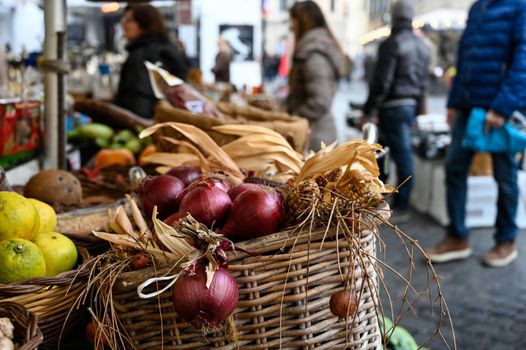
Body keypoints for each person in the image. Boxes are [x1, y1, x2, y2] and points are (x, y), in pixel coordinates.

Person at [426, 0, 526, 267]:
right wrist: (453, 102)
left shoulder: (519, 6)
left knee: (505, 178)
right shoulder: (477, 7)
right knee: (454, 169)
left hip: (499, 109)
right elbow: (465, 57)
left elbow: (523, 59)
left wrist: (502, 107)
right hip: (468, 107)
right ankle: (457, 235)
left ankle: (506, 239)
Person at [361, 0, 430, 223]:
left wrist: (369, 108)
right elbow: (422, 84)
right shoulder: (422, 46)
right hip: (408, 106)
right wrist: (418, 110)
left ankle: (398, 204)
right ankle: (383, 197)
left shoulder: (391, 44)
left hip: (391, 106)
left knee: (388, 154)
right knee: (393, 153)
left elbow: (382, 81)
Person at [286, 0, 345, 151]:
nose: (291, 26)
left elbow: (320, 100)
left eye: (292, 20)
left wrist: (294, 117)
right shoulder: (313, 49)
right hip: (314, 133)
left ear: (302, 21)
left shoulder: (314, 53)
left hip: (316, 137)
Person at [115, 4, 189, 119]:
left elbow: (140, 102)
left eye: (128, 20)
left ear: (145, 24)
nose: (123, 24)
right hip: (164, 123)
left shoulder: (143, 55)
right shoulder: (165, 48)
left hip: (144, 128)